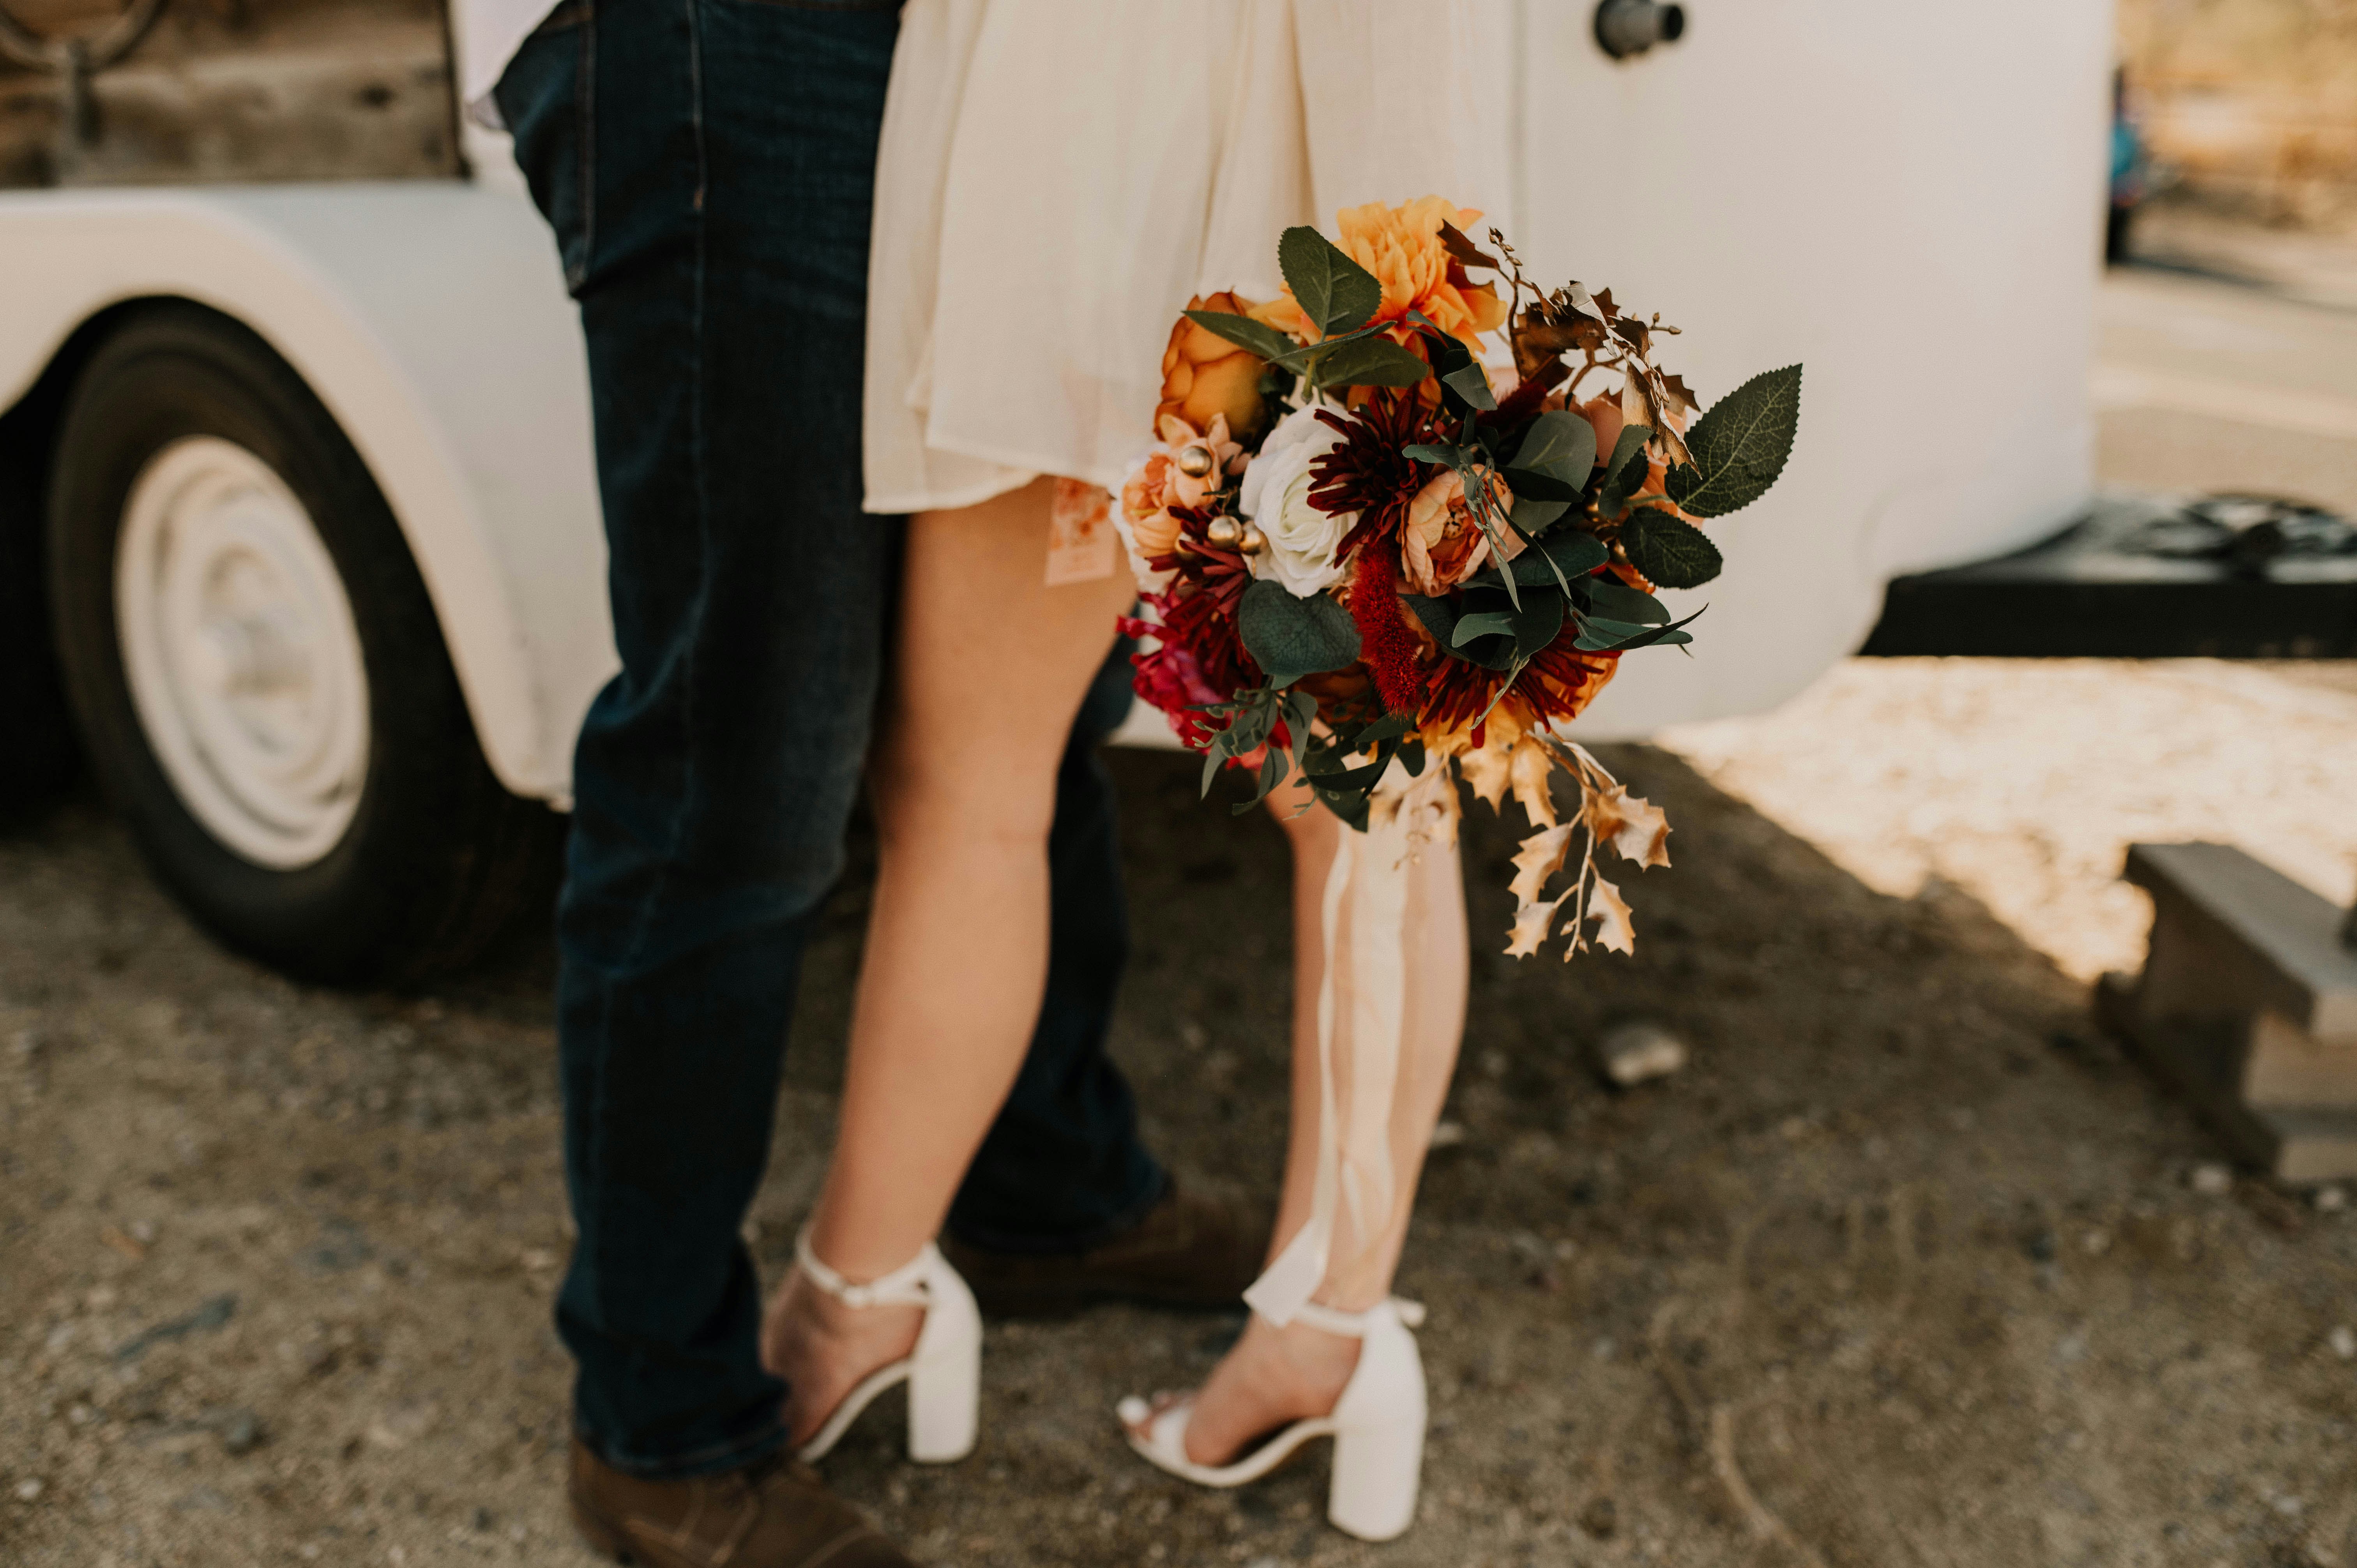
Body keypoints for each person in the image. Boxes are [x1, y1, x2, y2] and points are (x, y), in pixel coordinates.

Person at [463, 4, 1265, 1564]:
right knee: (743, 753)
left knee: (1018, 697)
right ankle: (660, 1421)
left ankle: (1042, 1174)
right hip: (749, 34)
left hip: (1023, 47)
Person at [755, 0, 1506, 1545]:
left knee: (1014, 794)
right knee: (1320, 808)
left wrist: (1423, 335)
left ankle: (865, 1303)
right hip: (1135, 177)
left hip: (1123, 184)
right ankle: (1316, 1322)